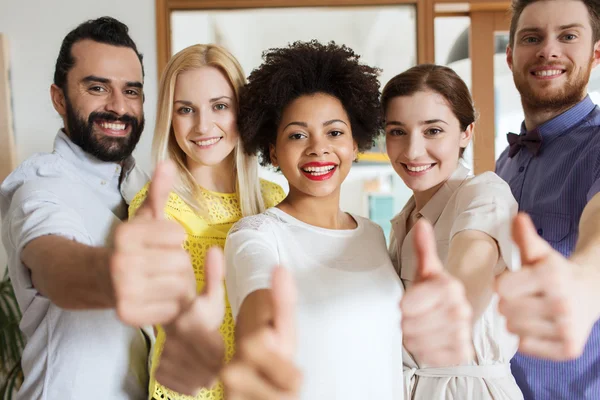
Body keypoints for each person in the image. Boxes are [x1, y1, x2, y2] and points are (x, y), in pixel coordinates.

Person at [220, 41, 473, 400]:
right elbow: (257, 298)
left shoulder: (372, 234)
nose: (318, 148)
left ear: (356, 144)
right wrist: (259, 338)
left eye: (334, 132)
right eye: (297, 135)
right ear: (273, 150)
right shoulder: (255, 236)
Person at [0, 17, 199, 399]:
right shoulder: (39, 186)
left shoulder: (145, 184)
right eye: (97, 88)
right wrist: (114, 274)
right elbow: (56, 266)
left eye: (132, 92)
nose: (118, 107)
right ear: (59, 98)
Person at [127, 44, 285, 399]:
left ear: (240, 111)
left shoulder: (274, 200)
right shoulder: (154, 208)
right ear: (170, 117)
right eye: (186, 110)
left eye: (220, 106)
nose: (203, 125)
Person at [382, 64, 522, 399]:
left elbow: (474, 251)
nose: (413, 151)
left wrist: (455, 300)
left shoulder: (484, 192)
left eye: (432, 131)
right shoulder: (404, 220)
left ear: (466, 132)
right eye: (397, 131)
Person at [494, 0, 600, 398]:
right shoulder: (504, 163)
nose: (548, 50)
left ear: (595, 53)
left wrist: (587, 283)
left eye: (568, 36)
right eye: (532, 38)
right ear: (510, 55)